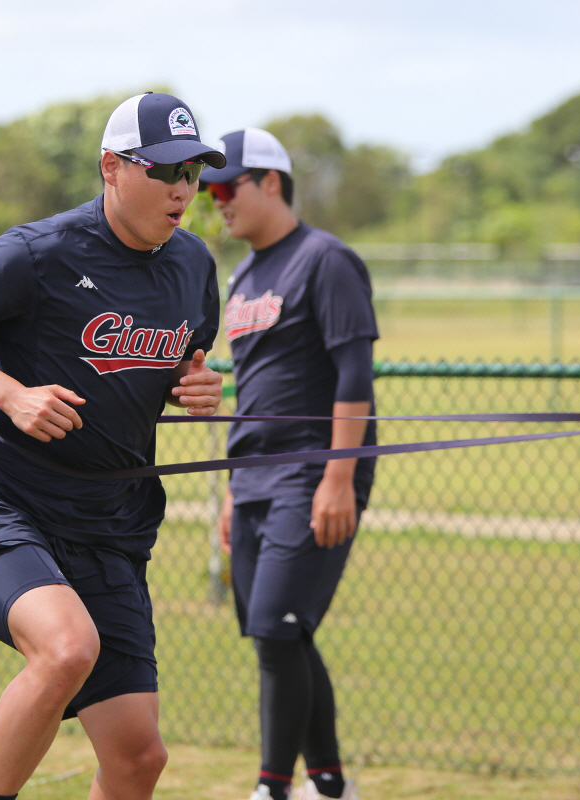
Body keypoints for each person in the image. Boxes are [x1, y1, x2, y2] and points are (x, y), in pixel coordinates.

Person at [0, 92, 226, 800]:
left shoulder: (195, 266)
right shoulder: (39, 251)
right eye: (165, 169)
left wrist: (196, 387)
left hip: (110, 522)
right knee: (66, 649)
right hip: (6, 500)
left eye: (194, 173)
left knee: (139, 758)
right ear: (112, 167)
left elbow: (185, 363)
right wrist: (11, 393)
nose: (182, 189)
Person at [202, 128, 377, 800]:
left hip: (313, 471)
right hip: (252, 476)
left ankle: (272, 789)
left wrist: (339, 476)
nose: (214, 200)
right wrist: (228, 494)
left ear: (270, 181)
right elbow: (252, 391)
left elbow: (353, 374)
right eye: (208, 189)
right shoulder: (243, 274)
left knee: (276, 627)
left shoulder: (325, 260)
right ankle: (329, 786)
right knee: (280, 633)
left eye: (225, 186)